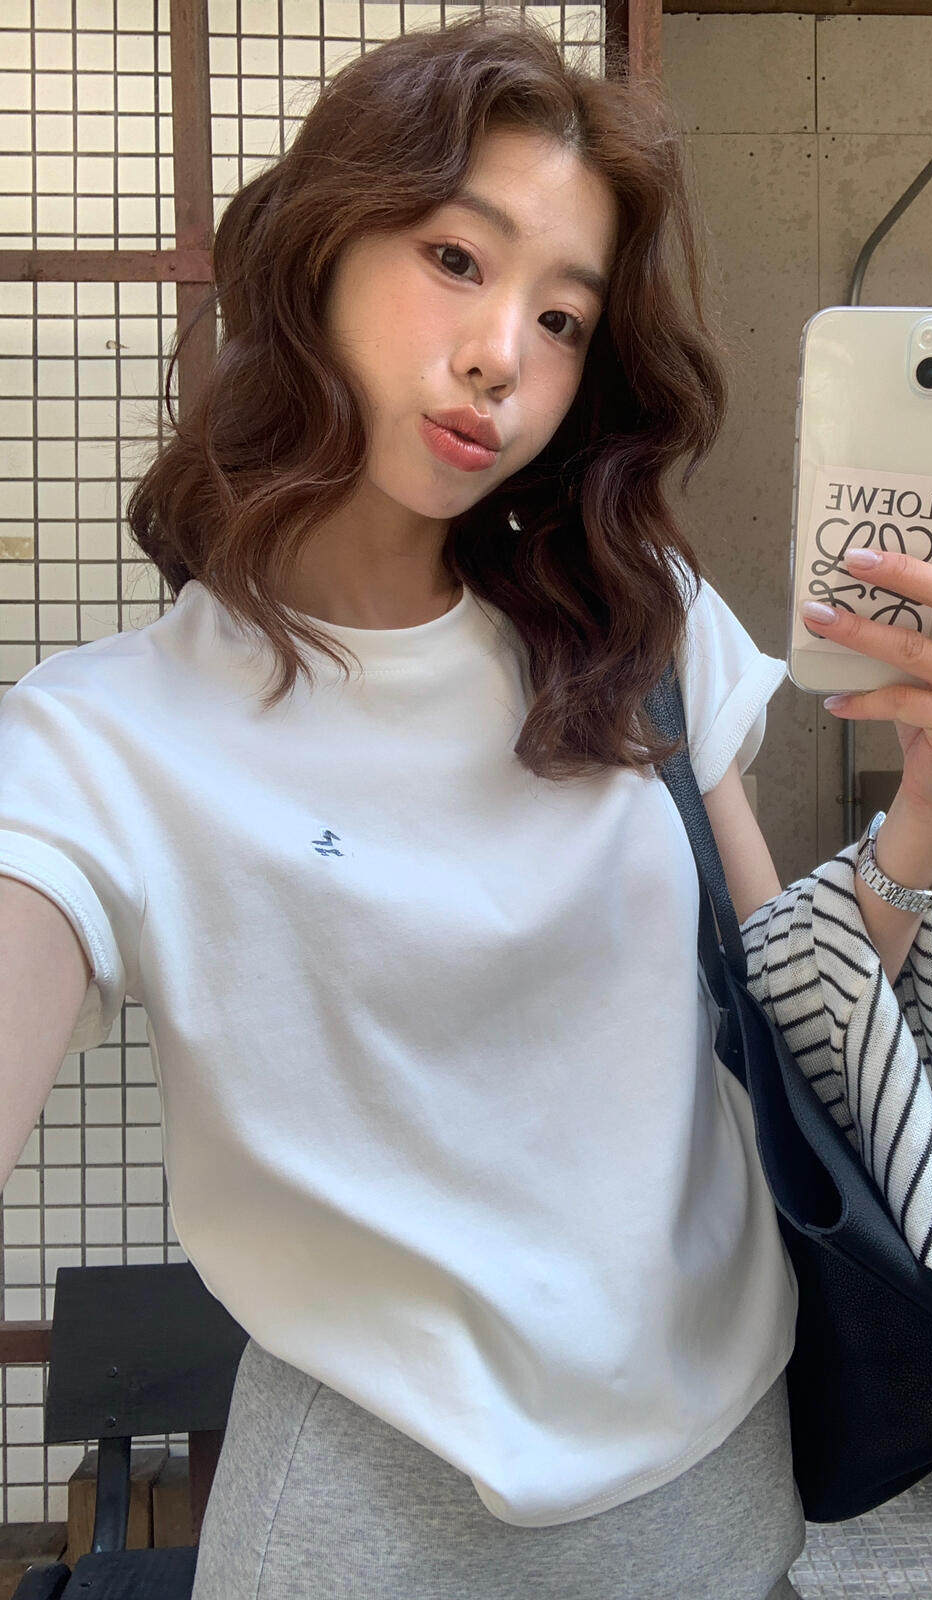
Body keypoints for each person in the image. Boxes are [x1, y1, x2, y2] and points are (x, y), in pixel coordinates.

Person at [0, 13, 808, 1599]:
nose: (505, 352)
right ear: (317, 253)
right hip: (360, 1540)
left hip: (724, 1507)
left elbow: (790, 1020)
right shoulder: (102, 745)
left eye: (564, 317)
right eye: (455, 258)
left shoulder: (640, 634)